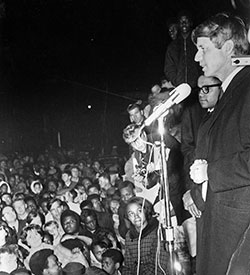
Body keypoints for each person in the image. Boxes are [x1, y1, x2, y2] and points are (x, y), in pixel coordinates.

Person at [189, 13, 250, 275]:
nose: (196, 58)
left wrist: (211, 172)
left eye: (203, 49)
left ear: (227, 48)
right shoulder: (229, 92)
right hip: (221, 226)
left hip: (238, 235)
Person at [122, 197, 169, 275]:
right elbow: (128, 265)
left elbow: (161, 266)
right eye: (131, 214)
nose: (136, 216)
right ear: (128, 218)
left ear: (146, 211)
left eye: (139, 211)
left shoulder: (158, 232)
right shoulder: (129, 236)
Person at [164, 10, 201, 90]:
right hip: (179, 89)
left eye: (186, 21)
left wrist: (199, 80)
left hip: (197, 88)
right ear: (178, 25)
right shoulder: (173, 46)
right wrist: (176, 81)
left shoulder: (197, 42)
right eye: (181, 22)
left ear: (191, 23)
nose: (184, 24)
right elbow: (168, 67)